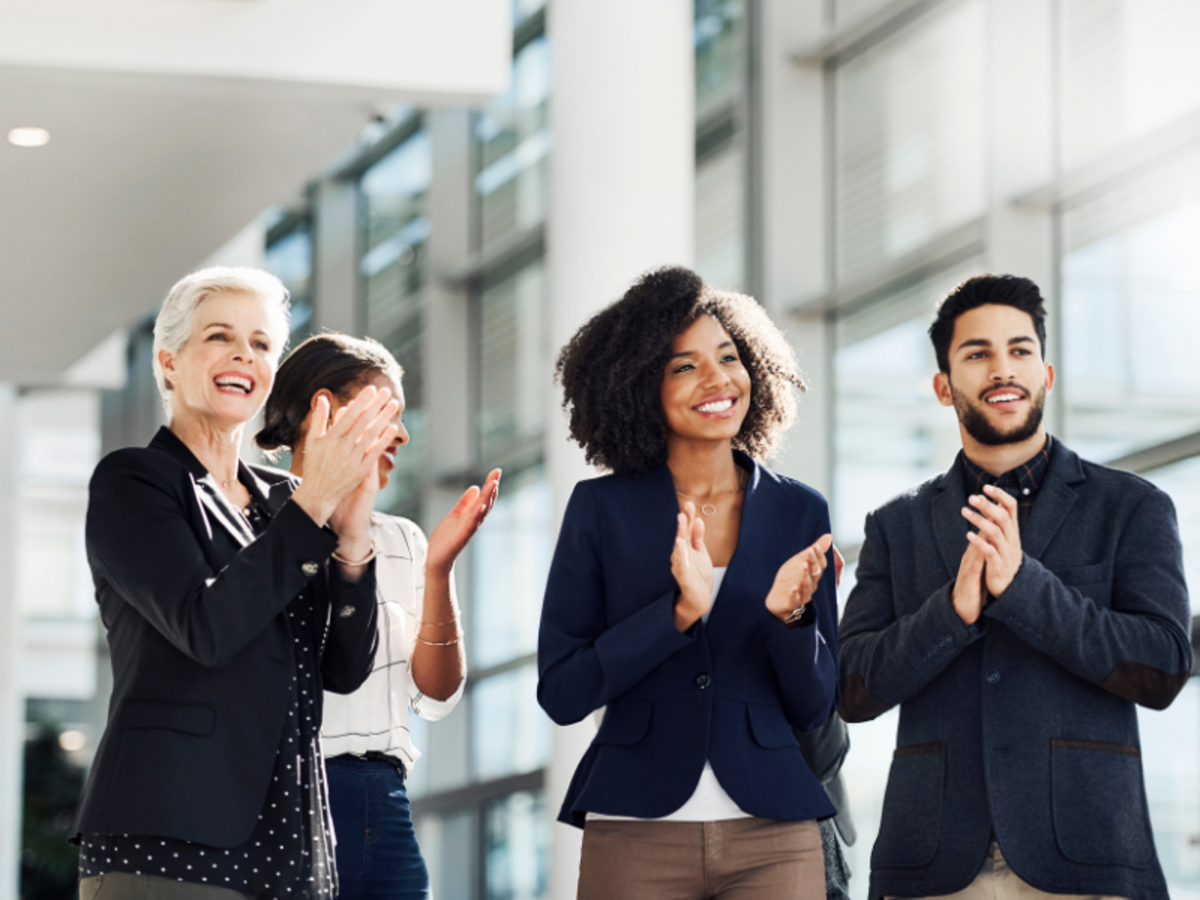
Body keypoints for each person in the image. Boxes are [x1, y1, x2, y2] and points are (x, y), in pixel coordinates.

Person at [838, 274, 1193, 900]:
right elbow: (853, 689)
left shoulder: (1131, 507)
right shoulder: (897, 524)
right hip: (934, 863)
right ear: (944, 386)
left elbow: (1163, 668)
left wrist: (1026, 588)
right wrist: (951, 612)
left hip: (1087, 859)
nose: (1003, 369)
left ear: (1046, 374)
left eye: (1020, 350)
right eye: (977, 354)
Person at [72, 267, 398, 900]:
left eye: (261, 344)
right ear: (169, 362)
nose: (243, 356)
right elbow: (206, 627)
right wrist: (317, 508)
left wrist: (353, 541)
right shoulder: (134, 483)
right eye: (219, 337)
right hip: (168, 840)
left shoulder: (286, 500)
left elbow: (341, 668)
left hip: (289, 844)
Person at [538, 266, 840, 900]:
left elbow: (815, 705)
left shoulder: (800, 512)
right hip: (635, 831)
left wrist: (793, 621)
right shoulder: (600, 509)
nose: (718, 380)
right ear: (639, 387)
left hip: (775, 833)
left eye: (729, 358)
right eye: (684, 367)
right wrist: (675, 616)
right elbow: (563, 692)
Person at [255, 333, 500, 900]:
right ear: (324, 409)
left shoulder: (402, 539)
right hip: (282, 797)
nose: (404, 434)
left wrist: (437, 570)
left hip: (382, 804)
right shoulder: (253, 524)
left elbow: (436, 700)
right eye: (387, 410)